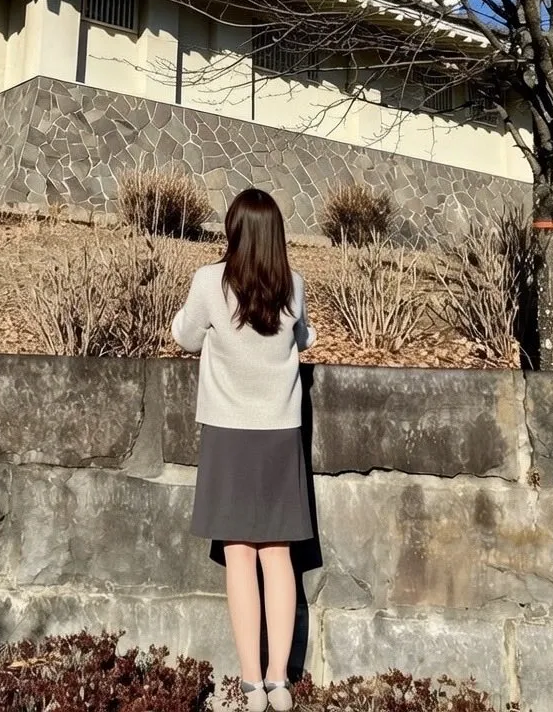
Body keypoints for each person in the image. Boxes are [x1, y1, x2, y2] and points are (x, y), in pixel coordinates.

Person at [171, 187, 316, 712]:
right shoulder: (293, 286)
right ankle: (280, 681)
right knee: (280, 557)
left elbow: (185, 335)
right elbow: (306, 339)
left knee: (240, 555)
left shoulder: (210, 282)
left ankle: (251, 684)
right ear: (276, 235)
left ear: (233, 231)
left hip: (229, 433)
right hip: (280, 433)